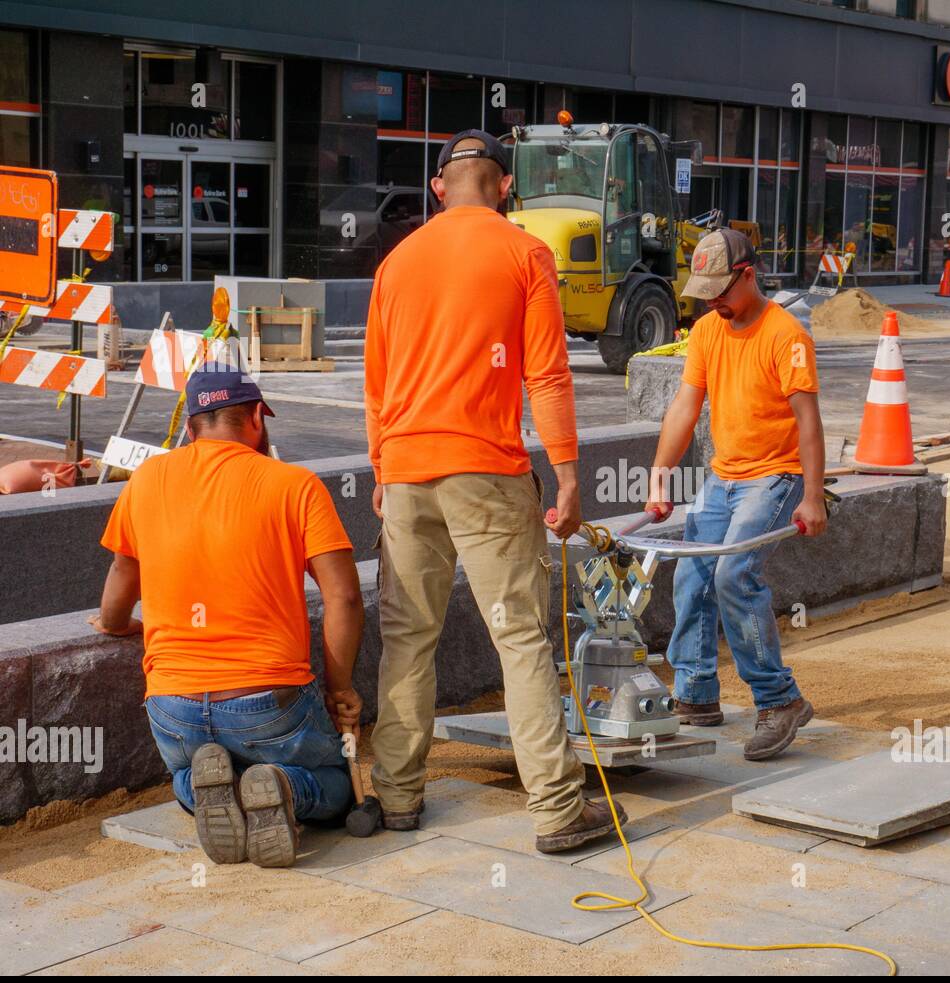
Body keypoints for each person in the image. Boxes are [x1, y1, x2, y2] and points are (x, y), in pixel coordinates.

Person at [363, 129, 624, 853]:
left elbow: (377, 387)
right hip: (485, 472)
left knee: (408, 639)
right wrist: (569, 475)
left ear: (440, 188)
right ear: (506, 187)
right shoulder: (524, 252)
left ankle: (396, 797)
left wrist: (383, 470)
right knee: (518, 637)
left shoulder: (396, 263)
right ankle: (558, 810)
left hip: (409, 473)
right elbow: (545, 375)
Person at [93, 364, 364, 868]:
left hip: (174, 707)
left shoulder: (147, 478)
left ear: (191, 427)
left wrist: (115, 626)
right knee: (334, 788)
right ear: (257, 417)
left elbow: (120, 578)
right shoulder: (296, 484)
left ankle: (212, 789)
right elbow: (344, 597)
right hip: (269, 703)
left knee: (182, 779)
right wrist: (340, 688)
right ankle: (282, 786)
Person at [646, 228, 826, 761]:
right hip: (724, 476)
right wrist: (660, 472)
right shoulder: (706, 330)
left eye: (721, 290)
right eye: (705, 292)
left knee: (733, 573)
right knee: (691, 572)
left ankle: (779, 700)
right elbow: (684, 405)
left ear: (748, 274)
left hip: (775, 475)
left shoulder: (785, 335)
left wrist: (811, 495)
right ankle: (696, 693)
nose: (713, 301)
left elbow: (809, 422)